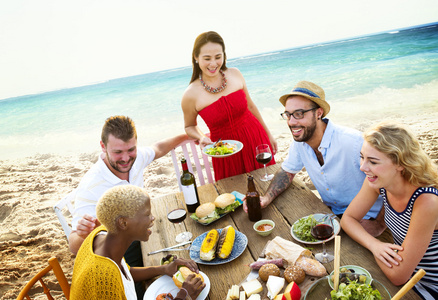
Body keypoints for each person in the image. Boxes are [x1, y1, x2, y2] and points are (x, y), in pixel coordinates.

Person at [68, 115, 189, 298]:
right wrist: (83, 232)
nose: (126, 158)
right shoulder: (90, 188)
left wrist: (189, 135)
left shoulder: (136, 158)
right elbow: (75, 244)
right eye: (118, 152)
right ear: (103, 146)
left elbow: (158, 148)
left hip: (125, 240)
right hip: (125, 244)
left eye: (131, 150)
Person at [244, 80, 385, 236]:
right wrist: (266, 198)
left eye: (298, 114)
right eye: (288, 115)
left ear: (318, 113)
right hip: (331, 217)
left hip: (367, 219)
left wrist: (379, 224)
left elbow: (394, 179)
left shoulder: (353, 142)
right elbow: (286, 172)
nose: (291, 122)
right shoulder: (300, 142)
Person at [341, 121, 438, 300]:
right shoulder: (378, 181)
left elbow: (398, 276)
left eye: (373, 161)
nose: (363, 167)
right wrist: (374, 245)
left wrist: (376, 248)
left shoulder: (427, 201)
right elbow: (348, 218)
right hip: (400, 266)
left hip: (429, 284)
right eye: (362, 157)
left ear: (400, 164)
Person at [70, 185, 205, 300]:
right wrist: (184, 294)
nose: (153, 218)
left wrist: (164, 269)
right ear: (123, 223)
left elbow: (124, 274)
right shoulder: (103, 278)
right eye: (147, 214)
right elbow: (110, 279)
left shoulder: (102, 235)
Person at [181, 31, 277, 181]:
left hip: (255, 137)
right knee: (235, 196)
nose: (213, 64)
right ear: (196, 57)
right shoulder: (190, 94)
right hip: (225, 151)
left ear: (224, 55)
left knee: (267, 184)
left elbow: (251, 107)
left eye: (218, 57)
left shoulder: (235, 74)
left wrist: (268, 135)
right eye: (207, 58)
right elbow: (189, 126)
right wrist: (201, 137)